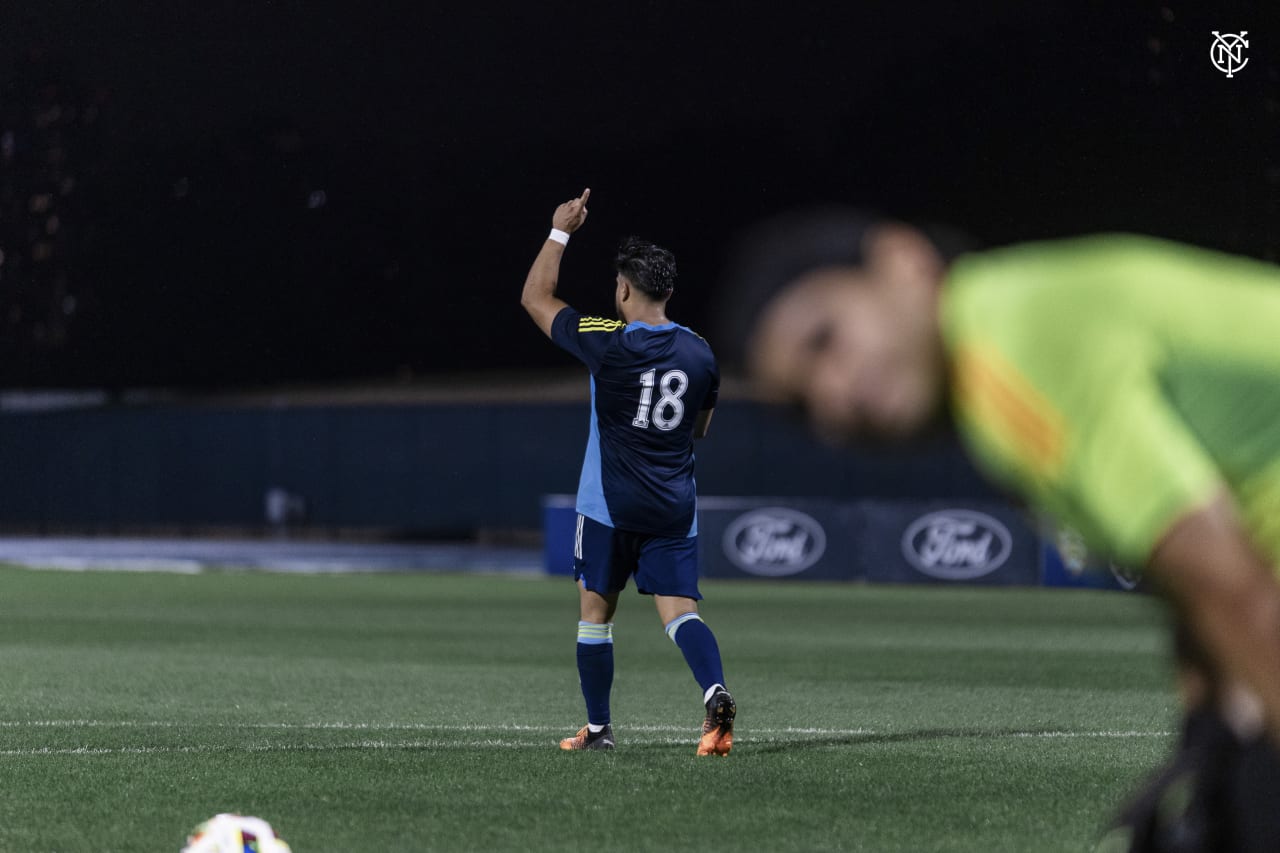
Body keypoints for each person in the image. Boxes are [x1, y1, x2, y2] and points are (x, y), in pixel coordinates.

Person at [722, 208, 1280, 849]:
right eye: (804, 403)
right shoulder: (1008, 320)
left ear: (903, 262)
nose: (834, 395)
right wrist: (1208, 729)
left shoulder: (1014, 346)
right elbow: (1195, 587)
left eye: (826, 338)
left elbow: (1234, 593)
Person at [521, 188, 736, 756]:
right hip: (672, 503)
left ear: (623, 290)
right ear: (669, 291)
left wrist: (560, 229)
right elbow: (700, 430)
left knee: (595, 614)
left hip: (609, 503)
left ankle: (598, 730)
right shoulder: (700, 352)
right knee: (679, 613)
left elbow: (535, 297)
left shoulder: (607, 342)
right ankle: (715, 692)